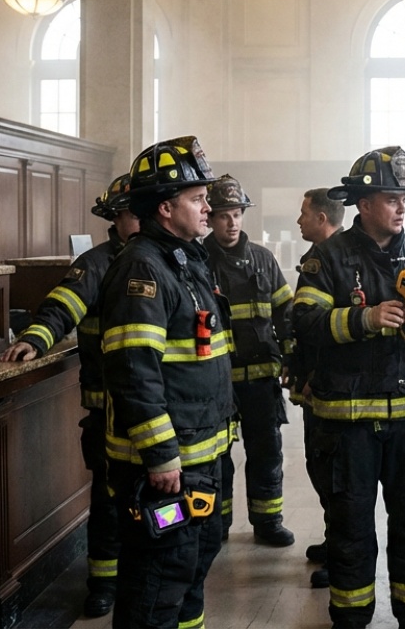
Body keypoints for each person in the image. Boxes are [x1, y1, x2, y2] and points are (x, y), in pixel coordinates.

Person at [292, 146, 405, 629]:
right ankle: (350, 619)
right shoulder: (327, 257)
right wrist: (363, 318)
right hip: (348, 426)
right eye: (392, 198)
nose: (402, 207)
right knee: (350, 531)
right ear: (364, 204)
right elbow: (304, 321)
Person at [97, 136, 235, 629]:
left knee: (189, 575)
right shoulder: (143, 268)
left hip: (200, 456)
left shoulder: (185, 259)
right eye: (197, 199)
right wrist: (160, 455)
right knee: (156, 587)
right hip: (167, 466)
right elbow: (134, 370)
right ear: (164, 207)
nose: (208, 207)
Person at [0, 173, 138, 618]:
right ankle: (102, 582)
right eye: (128, 214)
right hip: (108, 408)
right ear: (114, 219)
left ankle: (144, 575)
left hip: (159, 409)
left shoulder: (170, 259)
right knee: (109, 500)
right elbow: (64, 304)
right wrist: (37, 338)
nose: (135, 220)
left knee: (153, 502)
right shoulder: (96, 263)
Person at [203, 174, 296, 547]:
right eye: (224, 214)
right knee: (217, 457)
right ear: (210, 217)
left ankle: (268, 520)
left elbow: (285, 311)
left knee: (267, 453)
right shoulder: (196, 261)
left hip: (260, 379)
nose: (232, 222)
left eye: (237, 213)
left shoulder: (263, 258)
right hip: (216, 380)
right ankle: (219, 524)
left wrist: (291, 355)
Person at [292, 187, 345, 590]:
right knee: (318, 463)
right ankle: (333, 540)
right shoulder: (317, 260)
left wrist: (313, 375)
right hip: (313, 381)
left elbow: (328, 332)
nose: (299, 220)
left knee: (334, 473)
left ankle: (344, 555)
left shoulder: (338, 262)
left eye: (304, 214)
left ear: (323, 219)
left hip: (329, 386)